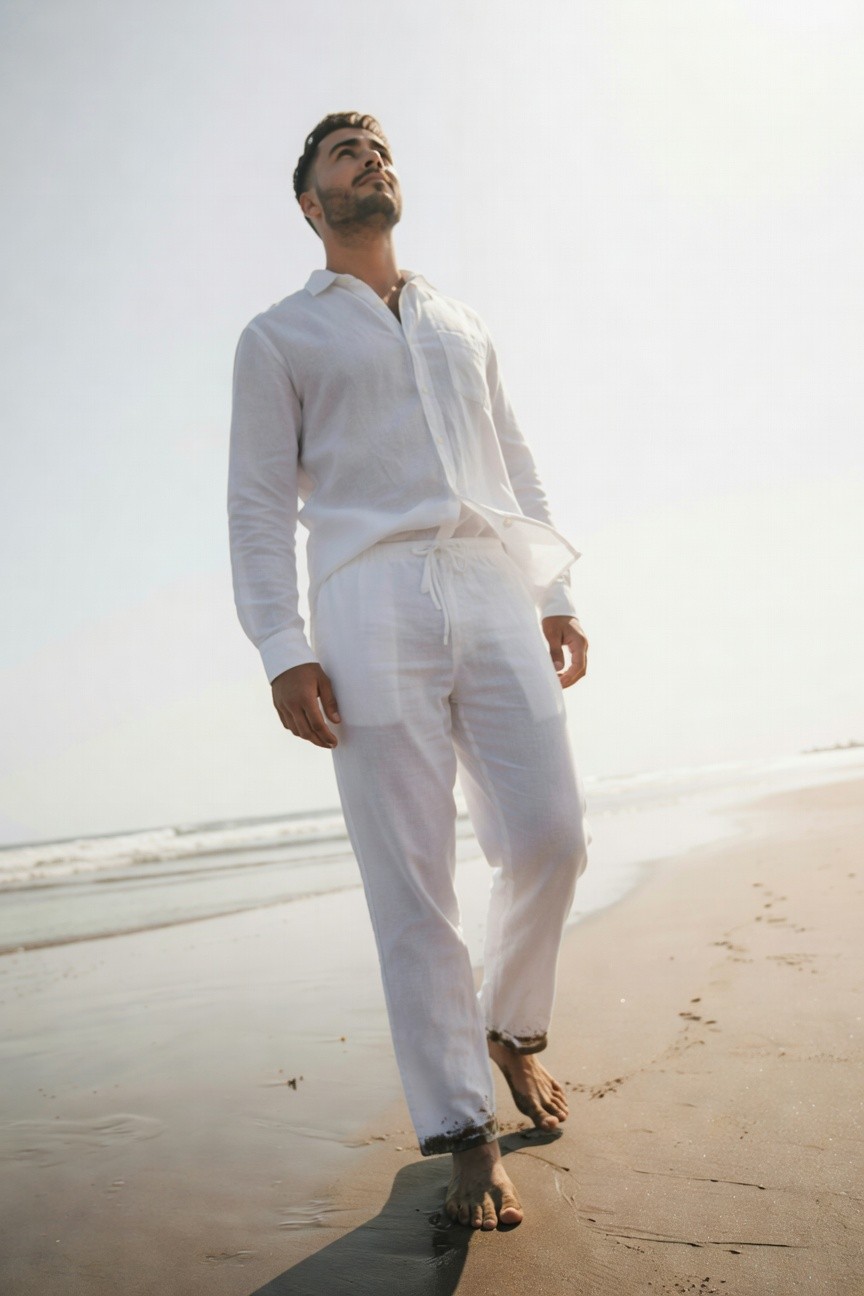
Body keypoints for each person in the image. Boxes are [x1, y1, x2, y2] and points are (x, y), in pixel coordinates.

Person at [227, 111, 589, 1231]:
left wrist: (555, 590)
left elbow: (513, 456)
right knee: (412, 872)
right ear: (308, 201)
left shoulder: (458, 320)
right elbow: (254, 504)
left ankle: (510, 1025)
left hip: (487, 581)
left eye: (379, 149)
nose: (370, 160)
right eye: (345, 153)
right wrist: (283, 647)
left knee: (550, 836)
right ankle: (461, 1126)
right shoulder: (279, 335)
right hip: (366, 598)